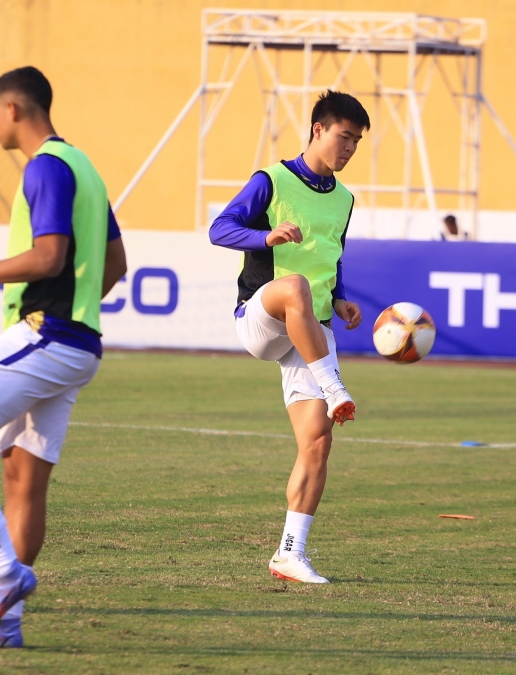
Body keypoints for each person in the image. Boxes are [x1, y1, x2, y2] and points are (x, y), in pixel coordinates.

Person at [0, 66, 128, 648]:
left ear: (13, 108)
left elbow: (47, 257)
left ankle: (3, 573)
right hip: (77, 341)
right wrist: (79, 307)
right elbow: (115, 266)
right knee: (21, 480)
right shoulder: (84, 166)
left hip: (47, 334)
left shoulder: (45, 167)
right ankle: (3, 628)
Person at [209, 90, 368, 584]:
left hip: (311, 329)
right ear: (318, 129)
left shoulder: (344, 198)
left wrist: (340, 297)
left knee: (316, 442)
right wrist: (265, 237)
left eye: (357, 142)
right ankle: (336, 387)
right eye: (344, 137)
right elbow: (220, 227)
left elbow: (331, 255)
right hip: (261, 316)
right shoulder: (271, 180)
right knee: (295, 286)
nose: (349, 149)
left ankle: (289, 553)